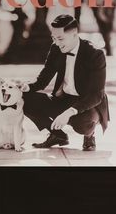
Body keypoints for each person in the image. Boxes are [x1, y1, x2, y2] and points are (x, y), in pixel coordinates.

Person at [23, 14, 109, 151]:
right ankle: (57, 135)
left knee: (82, 124)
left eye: (60, 38)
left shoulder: (95, 54)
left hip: (88, 103)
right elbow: (43, 80)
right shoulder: (56, 48)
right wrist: (26, 87)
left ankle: (89, 134)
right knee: (24, 99)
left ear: (74, 34)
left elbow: (96, 95)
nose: (57, 43)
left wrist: (69, 112)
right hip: (63, 99)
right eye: (54, 38)